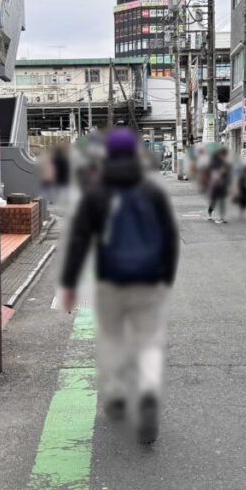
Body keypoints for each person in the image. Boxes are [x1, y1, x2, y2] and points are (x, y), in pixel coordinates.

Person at [60, 128, 180, 444]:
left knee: (111, 337)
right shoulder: (152, 191)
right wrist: (166, 276)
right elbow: (169, 237)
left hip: (110, 281)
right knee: (149, 340)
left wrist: (70, 283)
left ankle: (114, 394)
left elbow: (79, 240)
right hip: (148, 280)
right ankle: (148, 393)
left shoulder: (96, 193)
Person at [207, 147, 231, 223]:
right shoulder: (214, 162)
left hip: (223, 185)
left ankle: (222, 217)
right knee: (214, 201)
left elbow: (228, 173)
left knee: (222, 201)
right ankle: (210, 213)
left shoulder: (226, 163)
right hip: (215, 185)